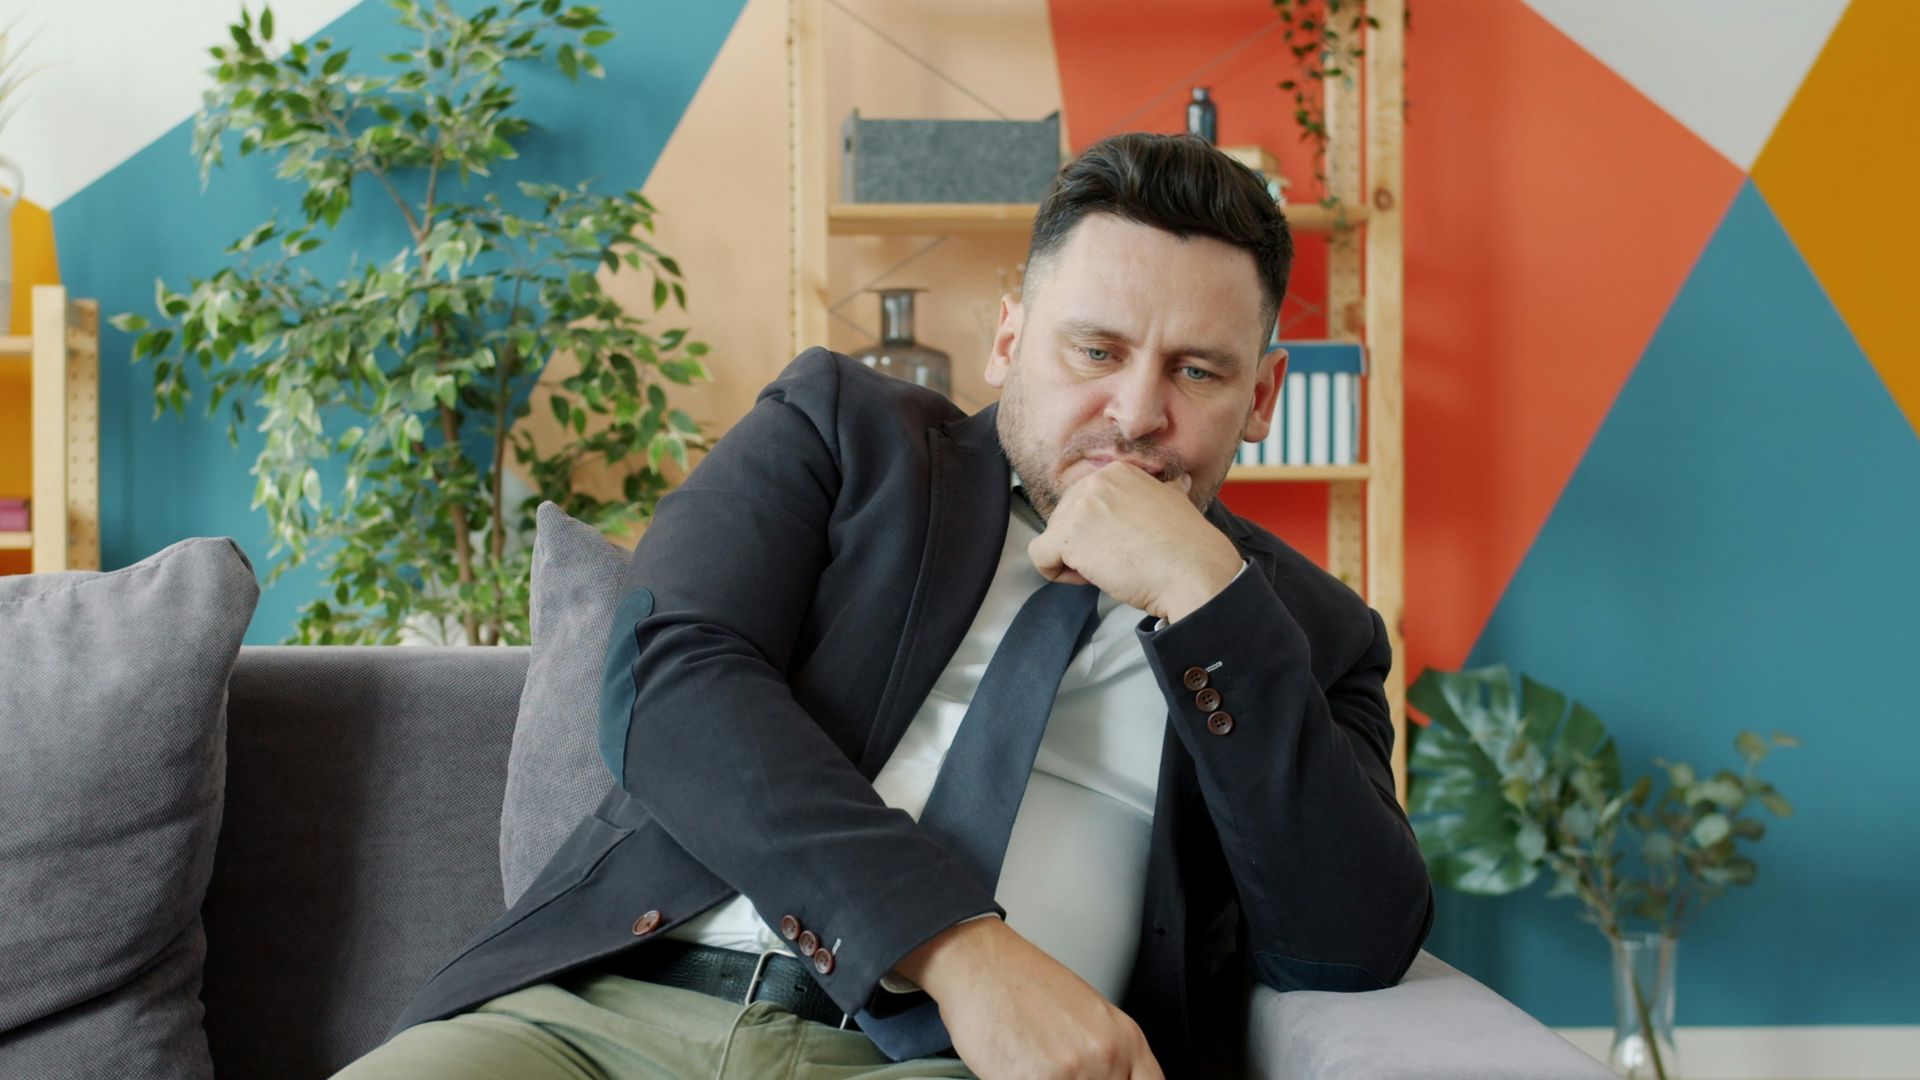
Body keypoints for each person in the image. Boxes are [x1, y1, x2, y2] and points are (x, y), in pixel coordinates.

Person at [335, 131, 1433, 1080]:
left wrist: (1205, 595)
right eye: (1094, 350)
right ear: (1010, 339)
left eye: (1198, 372)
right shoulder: (840, 432)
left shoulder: (1305, 632)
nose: (1137, 413)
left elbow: (1349, 941)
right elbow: (669, 679)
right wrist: (959, 948)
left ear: (1263, 398)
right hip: (602, 1018)